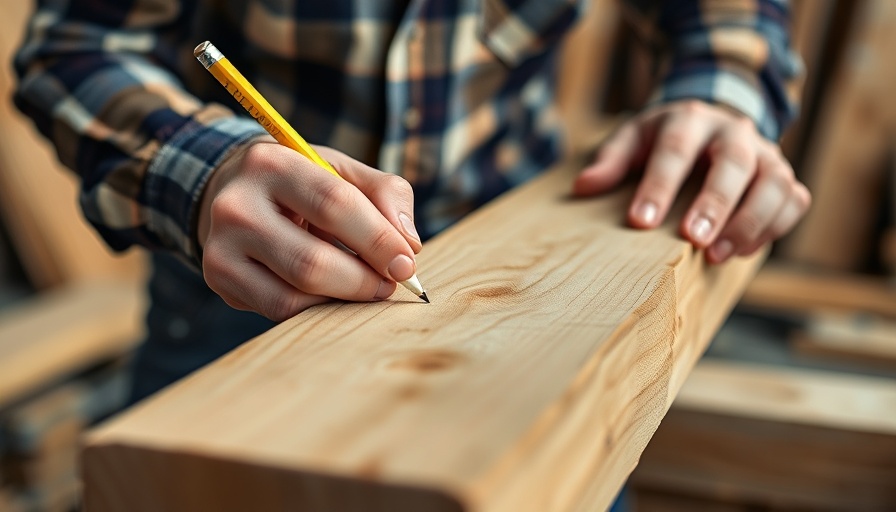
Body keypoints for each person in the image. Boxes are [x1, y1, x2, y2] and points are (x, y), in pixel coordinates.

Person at [13, 0, 810, 402]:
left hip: (530, 293)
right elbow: (72, 51)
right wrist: (209, 167)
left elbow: (725, 16)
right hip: (234, 300)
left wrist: (723, 93)